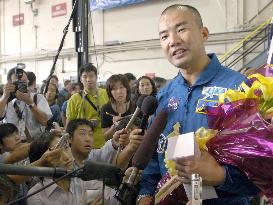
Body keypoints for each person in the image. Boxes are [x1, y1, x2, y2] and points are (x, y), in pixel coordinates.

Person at [138, 4, 261, 205]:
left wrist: (221, 176)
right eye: (164, 36)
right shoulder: (165, 97)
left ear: (204, 33)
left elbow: (262, 172)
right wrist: (145, 193)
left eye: (181, 29)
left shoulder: (239, 89)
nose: (173, 41)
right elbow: (153, 158)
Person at [0, 67, 52, 141]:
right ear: (9, 84)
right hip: (13, 146)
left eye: (24, 82)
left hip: (36, 143)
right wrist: (5, 97)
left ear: (28, 82)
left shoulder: (38, 98)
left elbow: (44, 121)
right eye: (17, 82)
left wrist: (30, 103)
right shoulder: (5, 100)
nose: (21, 85)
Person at [66, 63, 108, 148]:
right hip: (82, 145)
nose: (88, 79)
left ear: (96, 77)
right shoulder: (74, 99)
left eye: (91, 76)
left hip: (104, 144)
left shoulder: (106, 94)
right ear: (81, 79)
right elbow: (69, 125)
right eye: (85, 76)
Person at [101, 74, 135, 140]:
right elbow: (105, 137)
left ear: (127, 89)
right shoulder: (106, 109)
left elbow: (142, 132)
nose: (119, 92)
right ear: (110, 93)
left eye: (121, 87)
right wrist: (114, 126)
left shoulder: (136, 107)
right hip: (114, 147)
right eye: (114, 89)